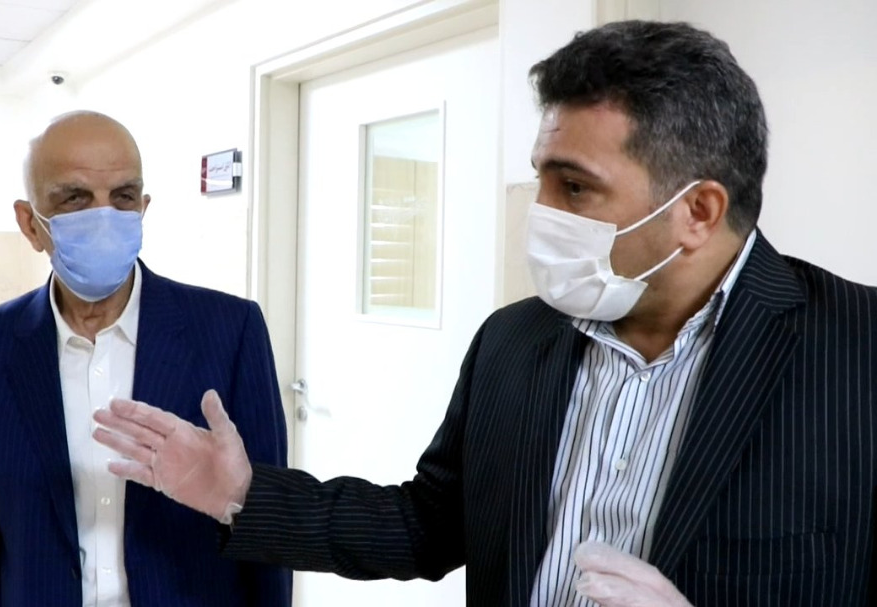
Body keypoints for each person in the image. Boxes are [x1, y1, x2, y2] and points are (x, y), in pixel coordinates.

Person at [92, 21, 877, 606]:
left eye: (575, 187)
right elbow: (426, 523)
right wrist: (241, 492)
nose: (541, 212)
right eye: (540, 179)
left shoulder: (858, 353)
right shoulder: (514, 340)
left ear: (698, 210)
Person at [0, 111, 291, 607]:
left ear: (143, 209)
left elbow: (267, 528)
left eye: (123, 197)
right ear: (30, 224)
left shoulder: (231, 331)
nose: (103, 217)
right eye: (75, 198)